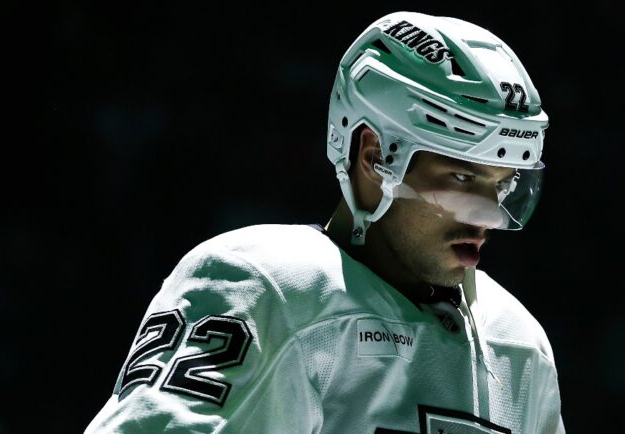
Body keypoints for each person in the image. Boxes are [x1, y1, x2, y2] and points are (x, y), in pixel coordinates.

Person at [85, 11, 565, 434]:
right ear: (375, 157)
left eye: (501, 186)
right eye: (461, 177)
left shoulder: (518, 343)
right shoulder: (265, 285)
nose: (488, 217)